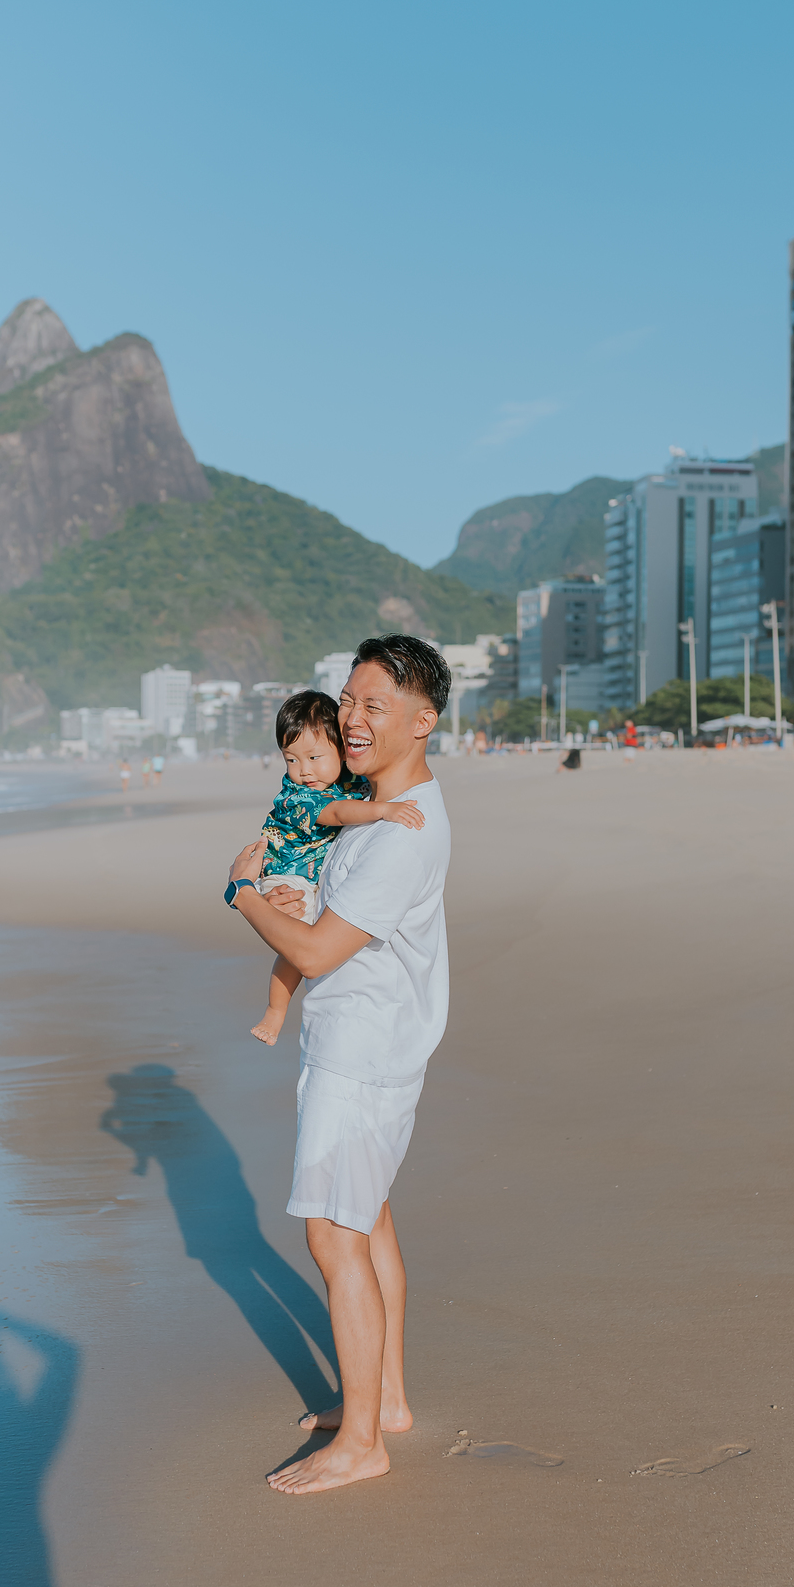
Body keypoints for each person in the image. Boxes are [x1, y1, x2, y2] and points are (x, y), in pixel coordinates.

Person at [225, 634, 452, 1494]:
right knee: (371, 1219)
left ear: (422, 721)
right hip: (372, 1045)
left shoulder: (401, 831)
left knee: (332, 1232)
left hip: (361, 1058)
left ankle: (361, 1442)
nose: (352, 719)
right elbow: (333, 913)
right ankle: (383, 1400)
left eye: (375, 706)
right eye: (348, 701)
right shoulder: (382, 803)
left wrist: (245, 895)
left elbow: (317, 956)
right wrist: (298, 894)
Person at [250, 689, 424, 1046]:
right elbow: (336, 813)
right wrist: (383, 810)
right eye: (291, 760)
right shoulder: (299, 796)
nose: (304, 771)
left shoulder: (348, 780)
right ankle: (275, 1009)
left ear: (341, 750)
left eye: (314, 757)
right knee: (297, 945)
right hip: (288, 873)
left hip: (311, 872)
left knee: (309, 936)